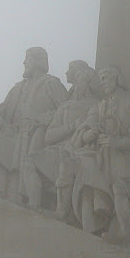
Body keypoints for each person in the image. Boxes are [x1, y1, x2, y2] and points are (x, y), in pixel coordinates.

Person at [0, 47, 67, 205]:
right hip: (13, 135)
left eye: (27, 58)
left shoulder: (51, 83)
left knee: (27, 165)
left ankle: (33, 203)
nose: (24, 62)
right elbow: (1, 111)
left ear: (37, 61)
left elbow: (65, 111)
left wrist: (41, 119)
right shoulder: (18, 88)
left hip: (36, 136)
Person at [71, 66, 130, 237]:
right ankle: (90, 232)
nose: (102, 82)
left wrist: (118, 142)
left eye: (106, 77)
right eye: (101, 79)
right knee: (89, 185)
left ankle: (126, 238)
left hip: (123, 158)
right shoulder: (99, 107)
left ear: (117, 79)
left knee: (120, 192)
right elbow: (84, 133)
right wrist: (90, 133)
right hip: (102, 158)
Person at [30, 60, 101, 221]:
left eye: (80, 79)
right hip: (60, 148)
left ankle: (62, 212)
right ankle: (33, 205)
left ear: (89, 82)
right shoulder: (66, 106)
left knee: (67, 162)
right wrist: (71, 126)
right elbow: (49, 137)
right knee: (30, 162)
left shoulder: (98, 105)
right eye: (76, 80)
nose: (77, 84)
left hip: (83, 150)